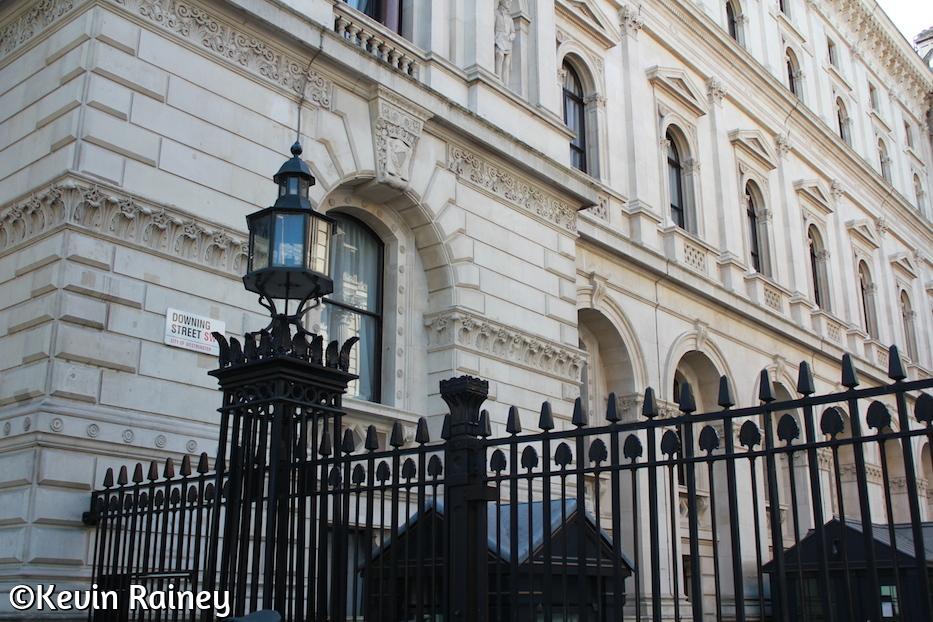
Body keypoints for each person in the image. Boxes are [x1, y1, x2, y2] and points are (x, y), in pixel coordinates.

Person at [494, 0, 515, 84]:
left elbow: (513, 31)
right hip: (499, 37)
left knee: (506, 63)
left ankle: (505, 84)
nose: (509, 3)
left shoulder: (509, 19)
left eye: (510, 1)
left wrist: (510, 37)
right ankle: (497, 79)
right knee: (499, 56)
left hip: (507, 41)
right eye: (507, 1)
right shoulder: (496, 13)